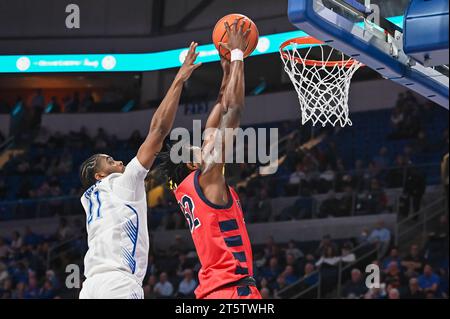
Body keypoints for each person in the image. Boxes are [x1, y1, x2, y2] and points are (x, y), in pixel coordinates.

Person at [77, 43, 201, 299]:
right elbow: (158, 132)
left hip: (89, 287)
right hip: (118, 283)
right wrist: (179, 79)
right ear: (100, 175)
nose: (118, 162)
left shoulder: (89, 198)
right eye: (109, 160)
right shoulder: (121, 184)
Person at [156, 19, 260, 299]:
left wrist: (226, 74)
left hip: (214, 291)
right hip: (232, 292)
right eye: (197, 148)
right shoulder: (208, 176)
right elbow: (234, 111)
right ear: (192, 164)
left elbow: (219, 115)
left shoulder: (187, 186)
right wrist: (237, 55)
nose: (204, 145)